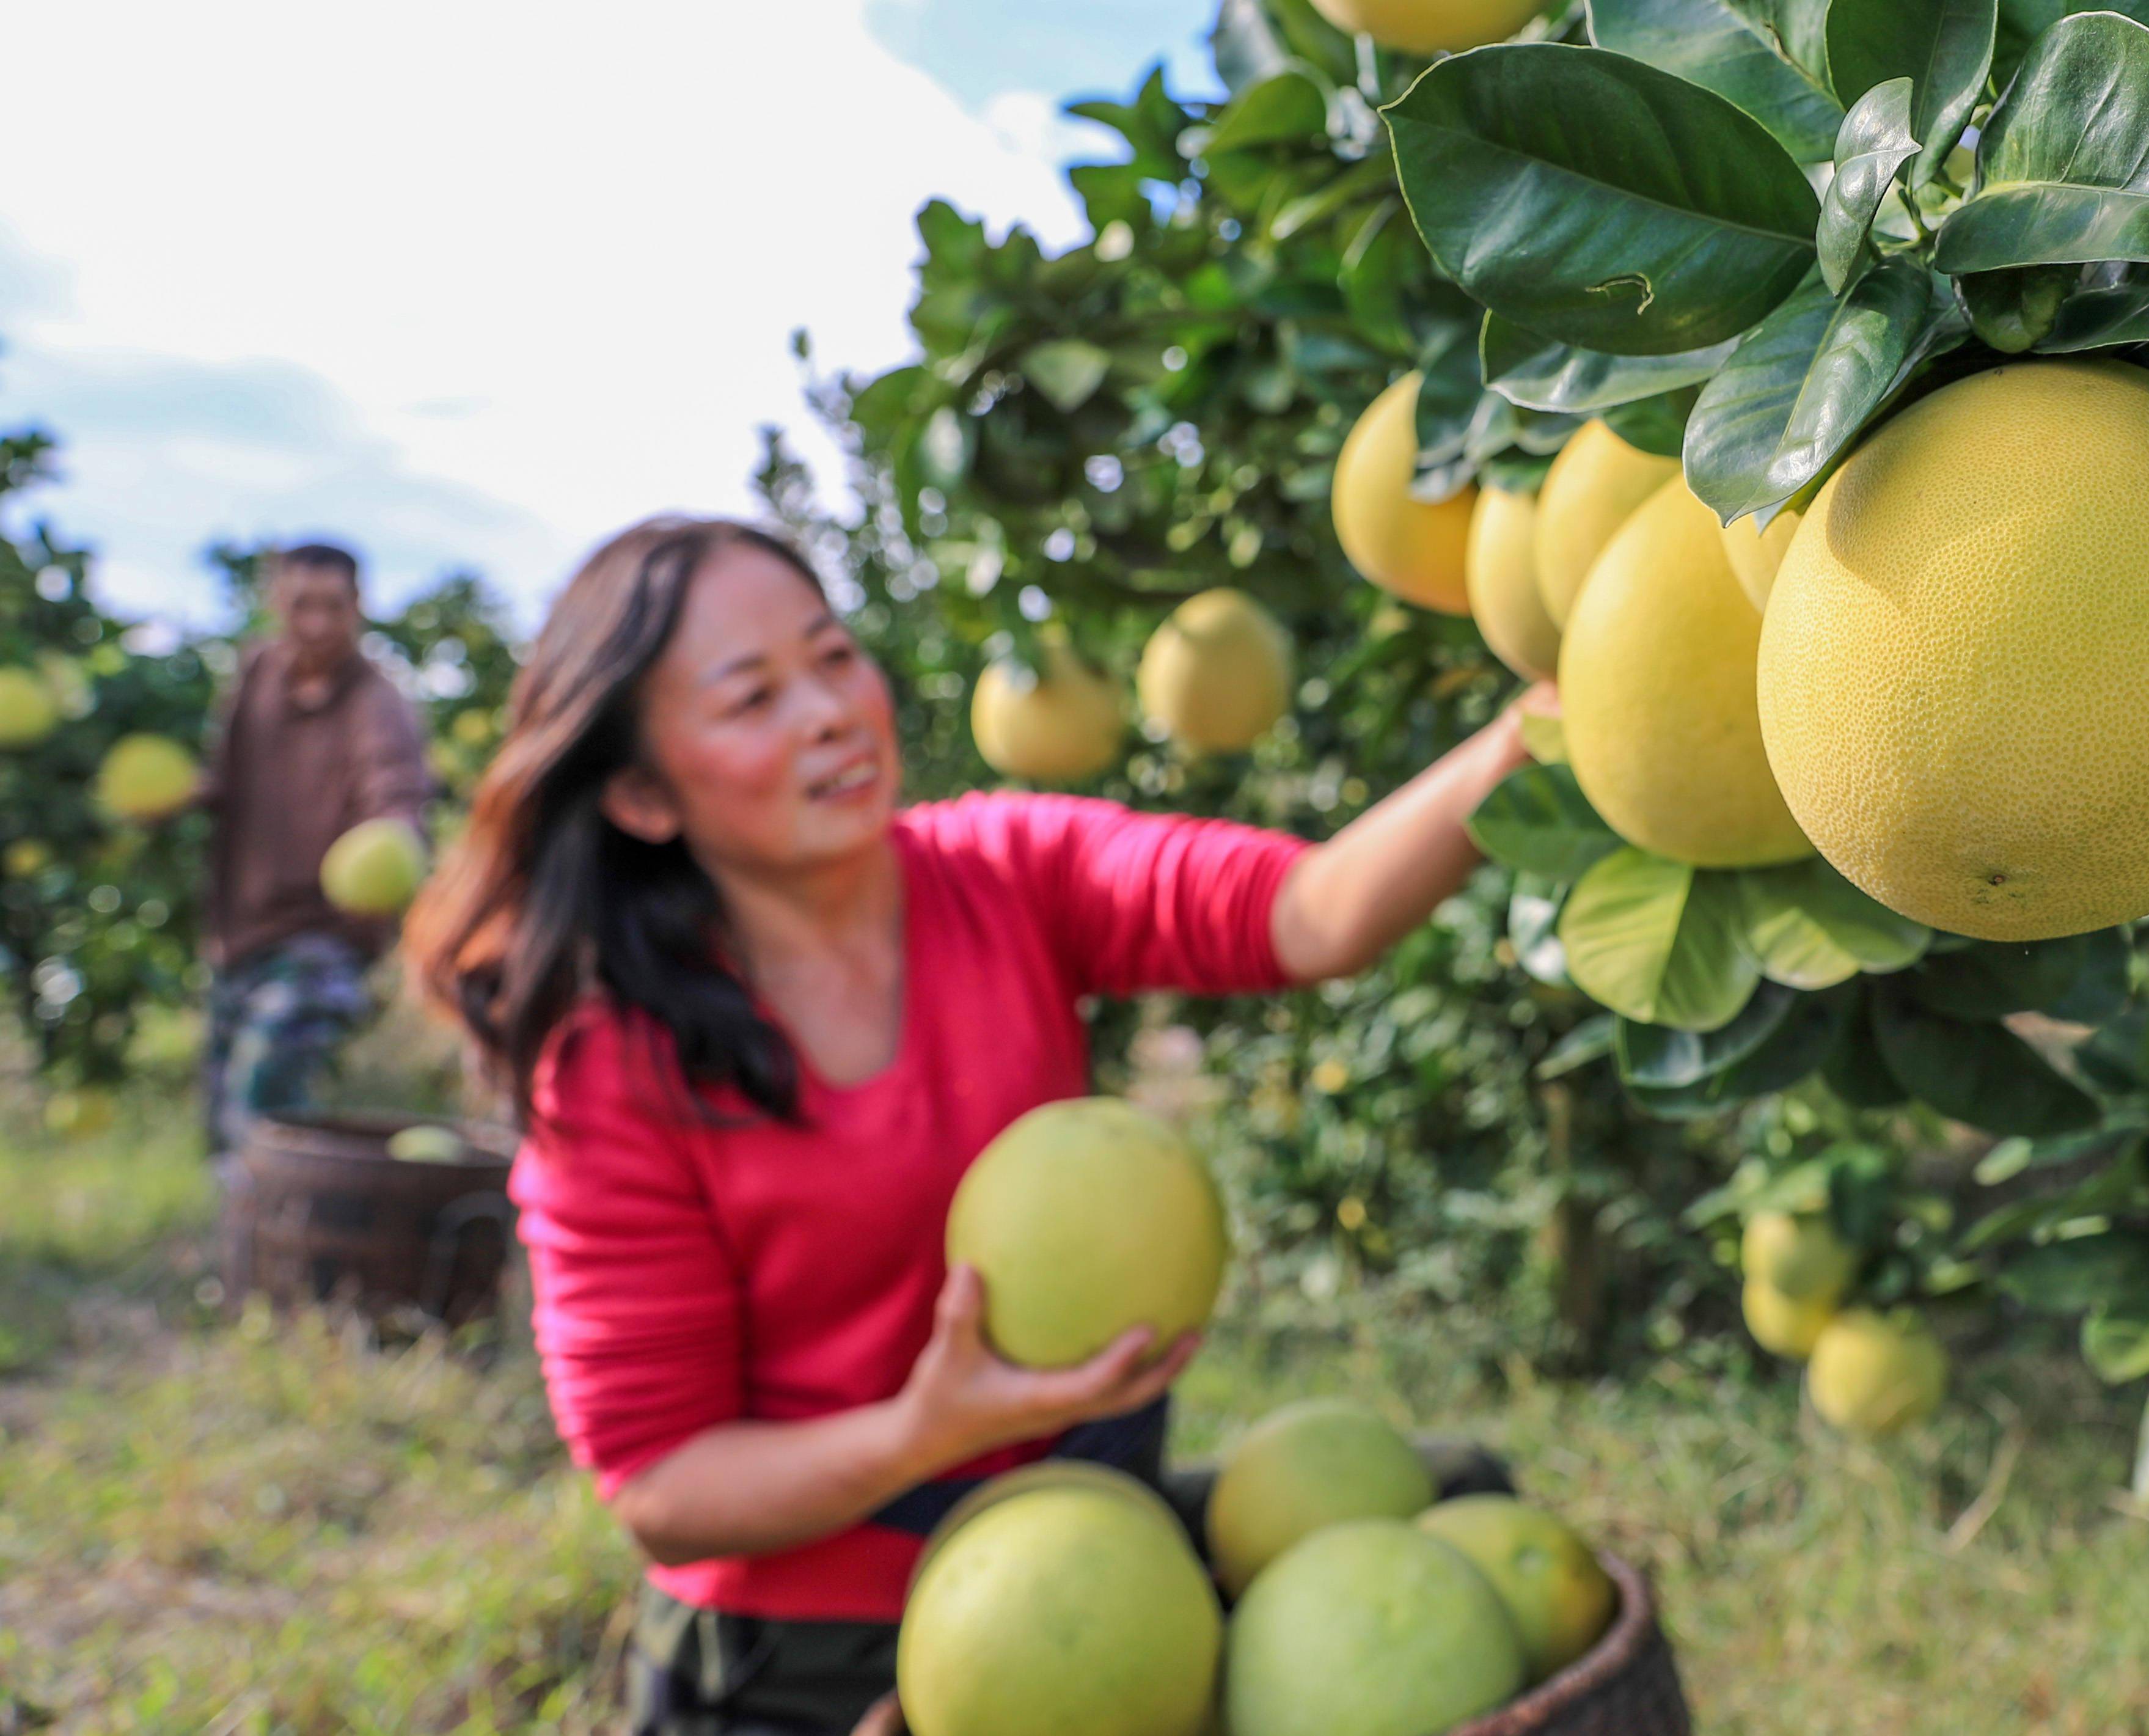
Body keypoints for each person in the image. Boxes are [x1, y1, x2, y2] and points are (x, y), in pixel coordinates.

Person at [405, 517, 1545, 1735]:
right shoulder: (617, 1059)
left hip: (1081, 1563)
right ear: (639, 791)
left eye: (833, 657)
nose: (831, 712)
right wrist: (920, 1432)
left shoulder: (1005, 872)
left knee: (1461, 1496)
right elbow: (663, 1485)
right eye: (752, 699)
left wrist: (1543, 722)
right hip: (806, 1643)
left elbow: (1307, 914)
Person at [202, 541, 432, 1159]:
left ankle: (284, 1239)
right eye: (302, 604)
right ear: (276, 601)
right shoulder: (255, 675)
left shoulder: (378, 702)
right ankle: (245, 1246)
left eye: (334, 607)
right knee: (223, 1117)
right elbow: (221, 776)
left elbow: (397, 790)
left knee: (265, 1096)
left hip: (323, 938)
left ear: (359, 606)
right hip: (242, 933)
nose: (317, 624)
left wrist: (397, 835)